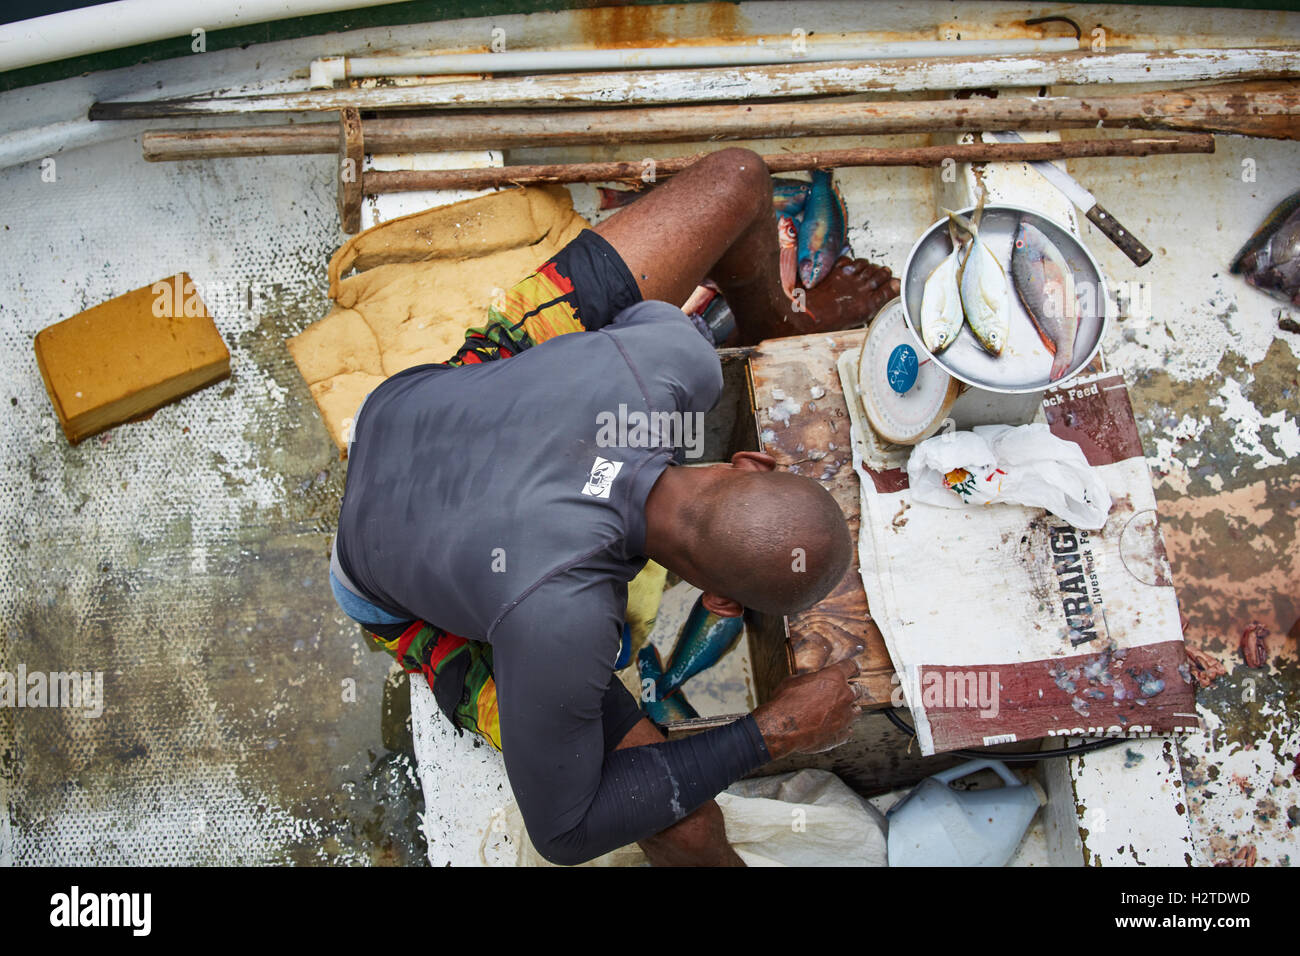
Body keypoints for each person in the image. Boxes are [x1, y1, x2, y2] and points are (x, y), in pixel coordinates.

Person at [329, 148, 898, 866]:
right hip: (375, 579)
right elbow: (565, 832)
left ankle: (778, 327)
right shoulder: (564, 619)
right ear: (716, 594)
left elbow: (607, 422)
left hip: (419, 408)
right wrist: (770, 732)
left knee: (739, 181)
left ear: (752, 461)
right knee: (689, 830)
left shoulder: (676, 365)